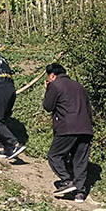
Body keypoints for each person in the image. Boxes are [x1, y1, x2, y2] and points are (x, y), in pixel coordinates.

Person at [42, 63, 94, 202]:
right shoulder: (79, 86)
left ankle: (66, 180)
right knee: (80, 160)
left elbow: (48, 106)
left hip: (67, 127)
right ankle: (80, 193)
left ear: (52, 75)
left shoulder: (55, 85)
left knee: (54, 155)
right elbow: (88, 109)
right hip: (85, 128)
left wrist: (47, 89)